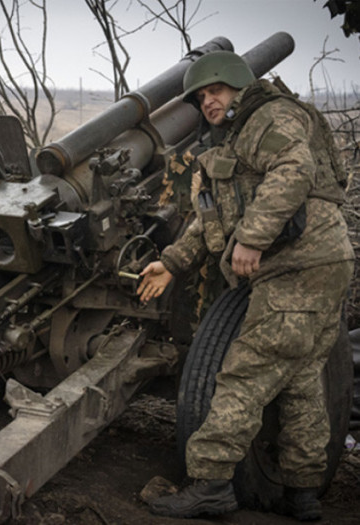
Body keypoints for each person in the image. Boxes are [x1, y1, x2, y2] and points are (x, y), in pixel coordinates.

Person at [139, 51, 353, 521]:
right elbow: (213, 217)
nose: (208, 101)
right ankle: (302, 493)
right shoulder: (236, 142)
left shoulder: (268, 115)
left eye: (215, 90)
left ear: (238, 85)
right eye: (200, 97)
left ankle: (212, 483)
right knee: (299, 381)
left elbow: (295, 169)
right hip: (322, 263)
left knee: (244, 373)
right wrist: (172, 264)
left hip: (300, 265)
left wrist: (254, 239)